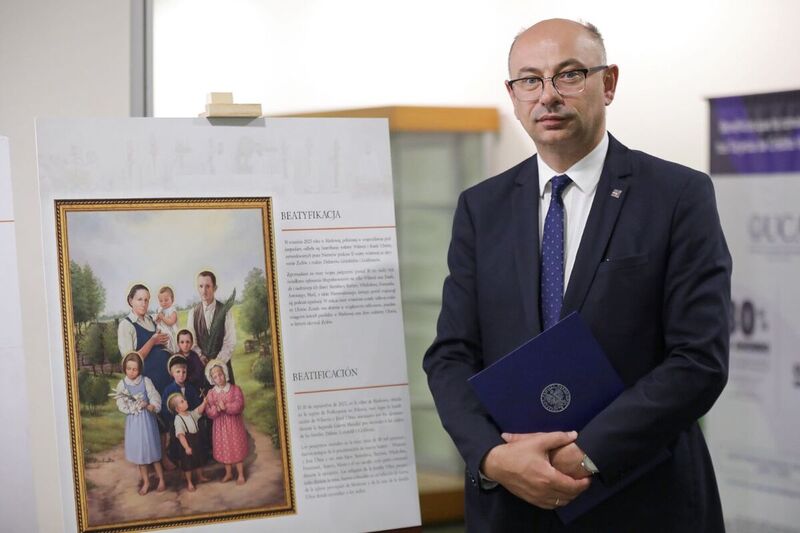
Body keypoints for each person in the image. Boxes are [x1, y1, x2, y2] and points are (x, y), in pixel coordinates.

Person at [423, 19, 731, 532]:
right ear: (513, 94)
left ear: (608, 83)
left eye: (569, 75)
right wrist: (492, 459)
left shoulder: (677, 196)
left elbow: (698, 359)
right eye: (530, 80)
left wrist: (583, 455)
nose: (548, 96)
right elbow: (451, 354)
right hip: (511, 501)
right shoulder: (482, 207)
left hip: (639, 498)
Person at [113, 352, 166, 495]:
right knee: (140, 455)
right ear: (124, 368)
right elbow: (120, 403)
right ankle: (146, 481)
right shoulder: (122, 384)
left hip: (147, 421)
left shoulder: (145, 381)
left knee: (153, 451)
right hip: (134, 422)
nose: (131, 372)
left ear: (140, 369)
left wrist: (151, 405)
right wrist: (132, 407)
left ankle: (161, 479)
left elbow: (155, 396)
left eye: (135, 369)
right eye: (129, 368)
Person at [117, 284, 172, 394]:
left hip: (167, 378)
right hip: (150, 385)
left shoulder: (151, 319)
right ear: (131, 300)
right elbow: (131, 362)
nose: (144, 304)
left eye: (146, 300)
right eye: (140, 299)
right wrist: (152, 341)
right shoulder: (126, 325)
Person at [186, 271, 237, 384]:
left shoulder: (226, 311)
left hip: (222, 370)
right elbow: (192, 342)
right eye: (201, 286)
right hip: (202, 370)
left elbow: (230, 342)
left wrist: (216, 363)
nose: (204, 291)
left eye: (208, 286)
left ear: (215, 288)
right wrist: (200, 355)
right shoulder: (193, 313)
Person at [205, 359, 248, 485]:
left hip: (234, 425)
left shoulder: (235, 389)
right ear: (212, 379)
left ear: (225, 373)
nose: (219, 377)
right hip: (220, 427)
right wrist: (216, 409)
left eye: (220, 374)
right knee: (224, 449)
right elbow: (209, 411)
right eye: (215, 376)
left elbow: (240, 405)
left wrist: (227, 407)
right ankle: (228, 473)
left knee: (236, 447)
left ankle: (240, 474)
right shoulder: (211, 393)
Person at [167, 392, 209, 492]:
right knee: (188, 464)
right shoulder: (178, 419)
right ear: (177, 409)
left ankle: (200, 476)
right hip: (187, 443)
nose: (185, 401)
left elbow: (198, 411)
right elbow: (181, 435)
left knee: (198, 460)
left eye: (184, 399)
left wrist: (204, 403)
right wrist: (186, 447)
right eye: (182, 401)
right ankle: (189, 482)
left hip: (196, 441)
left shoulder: (190, 414)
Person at [175, 329, 210, 395]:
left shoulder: (194, 356)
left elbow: (199, 371)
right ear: (178, 344)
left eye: (187, 342)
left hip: (194, 385)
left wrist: (191, 380)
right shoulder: (176, 357)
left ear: (192, 343)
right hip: (181, 386)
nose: (185, 345)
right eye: (182, 342)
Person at [154, 286, 179, 353]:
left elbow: (171, 322)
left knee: (172, 347)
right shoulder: (161, 310)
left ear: (172, 299)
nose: (163, 303)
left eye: (166, 300)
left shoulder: (172, 310)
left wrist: (162, 317)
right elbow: (158, 321)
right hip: (163, 332)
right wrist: (158, 318)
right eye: (161, 301)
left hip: (171, 333)